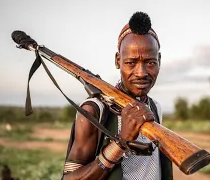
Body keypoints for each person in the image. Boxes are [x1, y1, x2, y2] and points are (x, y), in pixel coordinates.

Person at [60, 11, 173, 180]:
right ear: (117, 61)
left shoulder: (156, 107)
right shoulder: (94, 110)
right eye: (131, 62)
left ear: (159, 61)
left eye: (150, 62)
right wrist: (120, 142)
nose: (141, 73)